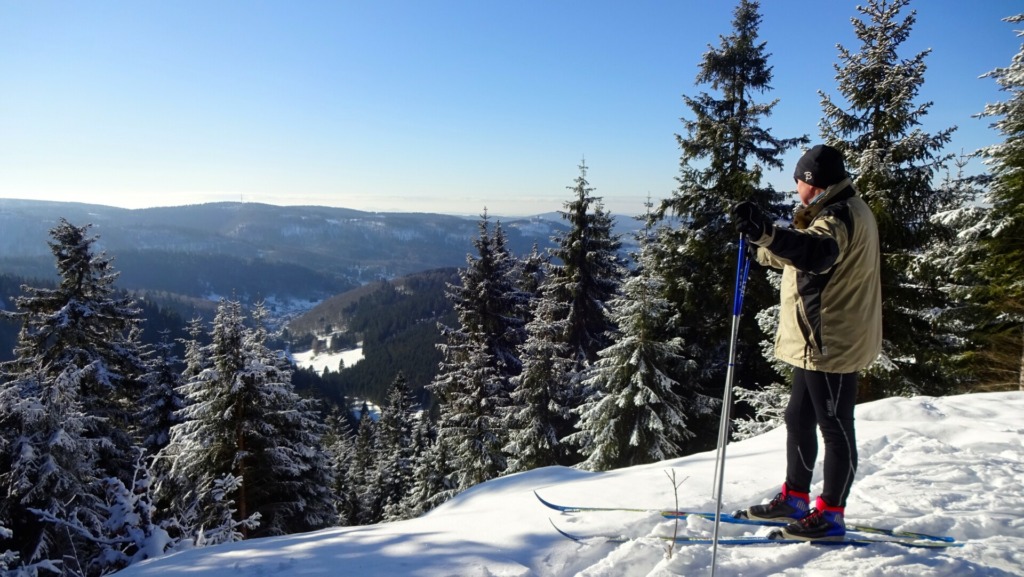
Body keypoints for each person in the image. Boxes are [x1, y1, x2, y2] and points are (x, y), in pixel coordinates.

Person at [729, 144, 882, 540]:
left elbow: (815, 254)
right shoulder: (837, 211)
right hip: (818, 338)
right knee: (798, 418)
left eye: (797, 179)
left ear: (811, 183)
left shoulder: (841, 216)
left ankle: (831, 514)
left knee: (835, 427)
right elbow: (802, 251)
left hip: (832, 339)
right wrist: (764, 243)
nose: (795, 186)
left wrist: (766, 234)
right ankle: (795, 497)